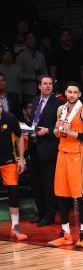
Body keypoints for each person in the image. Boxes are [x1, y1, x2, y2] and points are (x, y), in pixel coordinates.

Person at [48, 82, 83, 248]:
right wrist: (58, 129)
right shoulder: (60, 110)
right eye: (69, 91)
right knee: (61, 194)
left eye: (75, 92)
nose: (72, 94)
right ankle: (66, 233)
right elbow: (56, 132)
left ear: (79, 94)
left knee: (80, 196)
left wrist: (71, 132)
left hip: (78, 155)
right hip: (62, 154)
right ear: (66, 93)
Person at [29, 76, 62, 226]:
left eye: (50, 84)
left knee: (48, 184)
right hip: (34, 147)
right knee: (36, 183)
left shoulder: (58, 104)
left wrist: (48, 131)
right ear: (39, 86)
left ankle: (49, 215)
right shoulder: (36, 100)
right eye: (45, 84)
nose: (48, 86)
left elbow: (61, 127)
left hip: (49, 147)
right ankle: (41, 212)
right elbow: (35, 121)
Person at [0, 100, 27, 241]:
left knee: (14, 192)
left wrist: (21, 158)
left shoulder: (9, 118)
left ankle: (15, 228)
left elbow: (20, 135)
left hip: (8, 161)